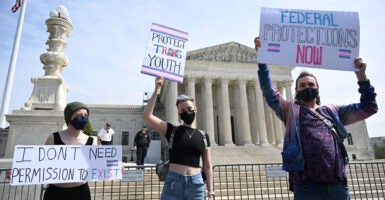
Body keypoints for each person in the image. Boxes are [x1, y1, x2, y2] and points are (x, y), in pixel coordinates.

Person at [254, 37, 378, 200]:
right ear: (296, 90)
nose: (307, 87)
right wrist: (262, 61)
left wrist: (362, 77)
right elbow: (269, 92)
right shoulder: (291, 112)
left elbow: (369, 107)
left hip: (337, 184)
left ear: (318, 88)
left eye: (311, 85)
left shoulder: (333, 111)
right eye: (303, 85)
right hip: (307, 186)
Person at [143, 77, 215, 200]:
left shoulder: (203, 136)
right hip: (173, 183)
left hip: (196, 185)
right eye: (182, 110)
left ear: (195, 110)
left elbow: (207, 166)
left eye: (189, 109)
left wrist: (211, 192)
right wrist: (157, 89)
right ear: (178, 114)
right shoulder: (171, 130)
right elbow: (147, 115)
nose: (186, 111)